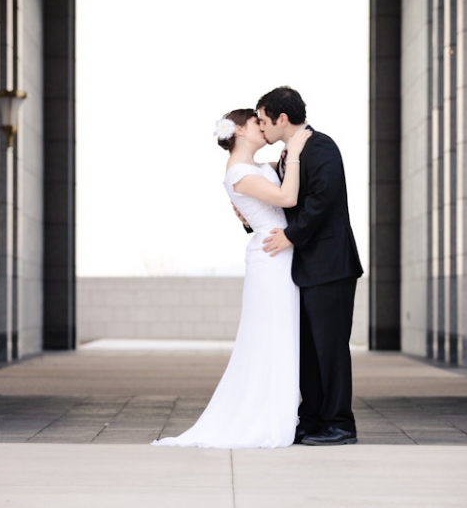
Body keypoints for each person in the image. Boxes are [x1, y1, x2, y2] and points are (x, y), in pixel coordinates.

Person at [151, 109, 311, 448]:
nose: (262, 127)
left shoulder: (257, 168)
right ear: (238, 130)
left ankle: (280, 412)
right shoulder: (238, 172)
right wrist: (294, 154)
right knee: (270, 334)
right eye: (256, 122)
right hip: (271, 258)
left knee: (281, 335)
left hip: (281, 253)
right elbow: (287, 198)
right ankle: (267, 416)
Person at [256, 86, 363, 446]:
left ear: (281, 119)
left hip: (331, 266)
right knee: (308, 349)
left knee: (330, 348)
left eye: (263, 120)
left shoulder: (321, 146)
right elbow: (287, 204)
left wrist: (291, 236)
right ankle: (313, 418)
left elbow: (322, 200)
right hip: (305, 268)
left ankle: (339, 423)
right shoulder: (290, 156)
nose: (261, 127)